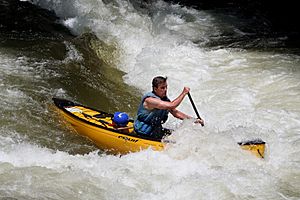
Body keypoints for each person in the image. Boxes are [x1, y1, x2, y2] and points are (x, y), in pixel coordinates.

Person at [134, 76, 204, 139]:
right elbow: (172, 105)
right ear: (155, 89)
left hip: (155, 131)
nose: (165, 90)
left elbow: (176, 113)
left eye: (166, 87)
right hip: (143, 132)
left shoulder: (164, 100)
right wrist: (184, 93)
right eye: (162, 88)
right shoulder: (150, 100)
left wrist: (194, 120)